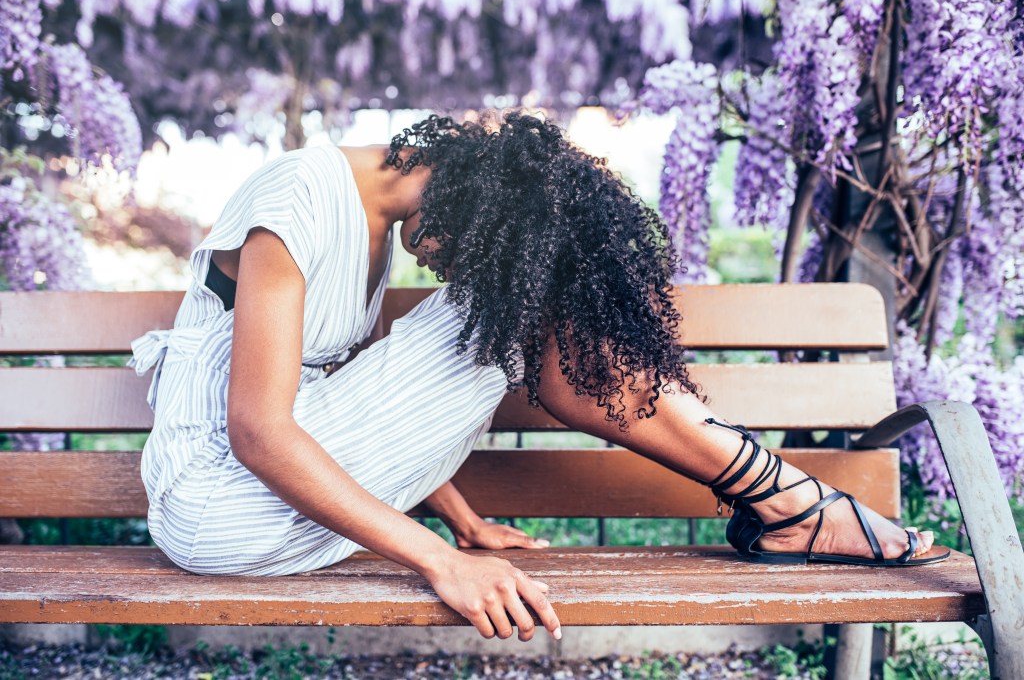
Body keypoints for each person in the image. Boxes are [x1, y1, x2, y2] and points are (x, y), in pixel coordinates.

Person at [129, 112, 948, 643]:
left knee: (521, 307)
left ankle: (788, 503)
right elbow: (264, 430)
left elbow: (354, 406)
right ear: (479, 199)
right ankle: (794, 504)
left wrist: (464, 520)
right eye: (493, 245)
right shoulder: (301, 198)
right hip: (216, 505)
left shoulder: (373, 218)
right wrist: (440, 561)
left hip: (262, 510)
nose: (458, 263)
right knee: (521, 307)